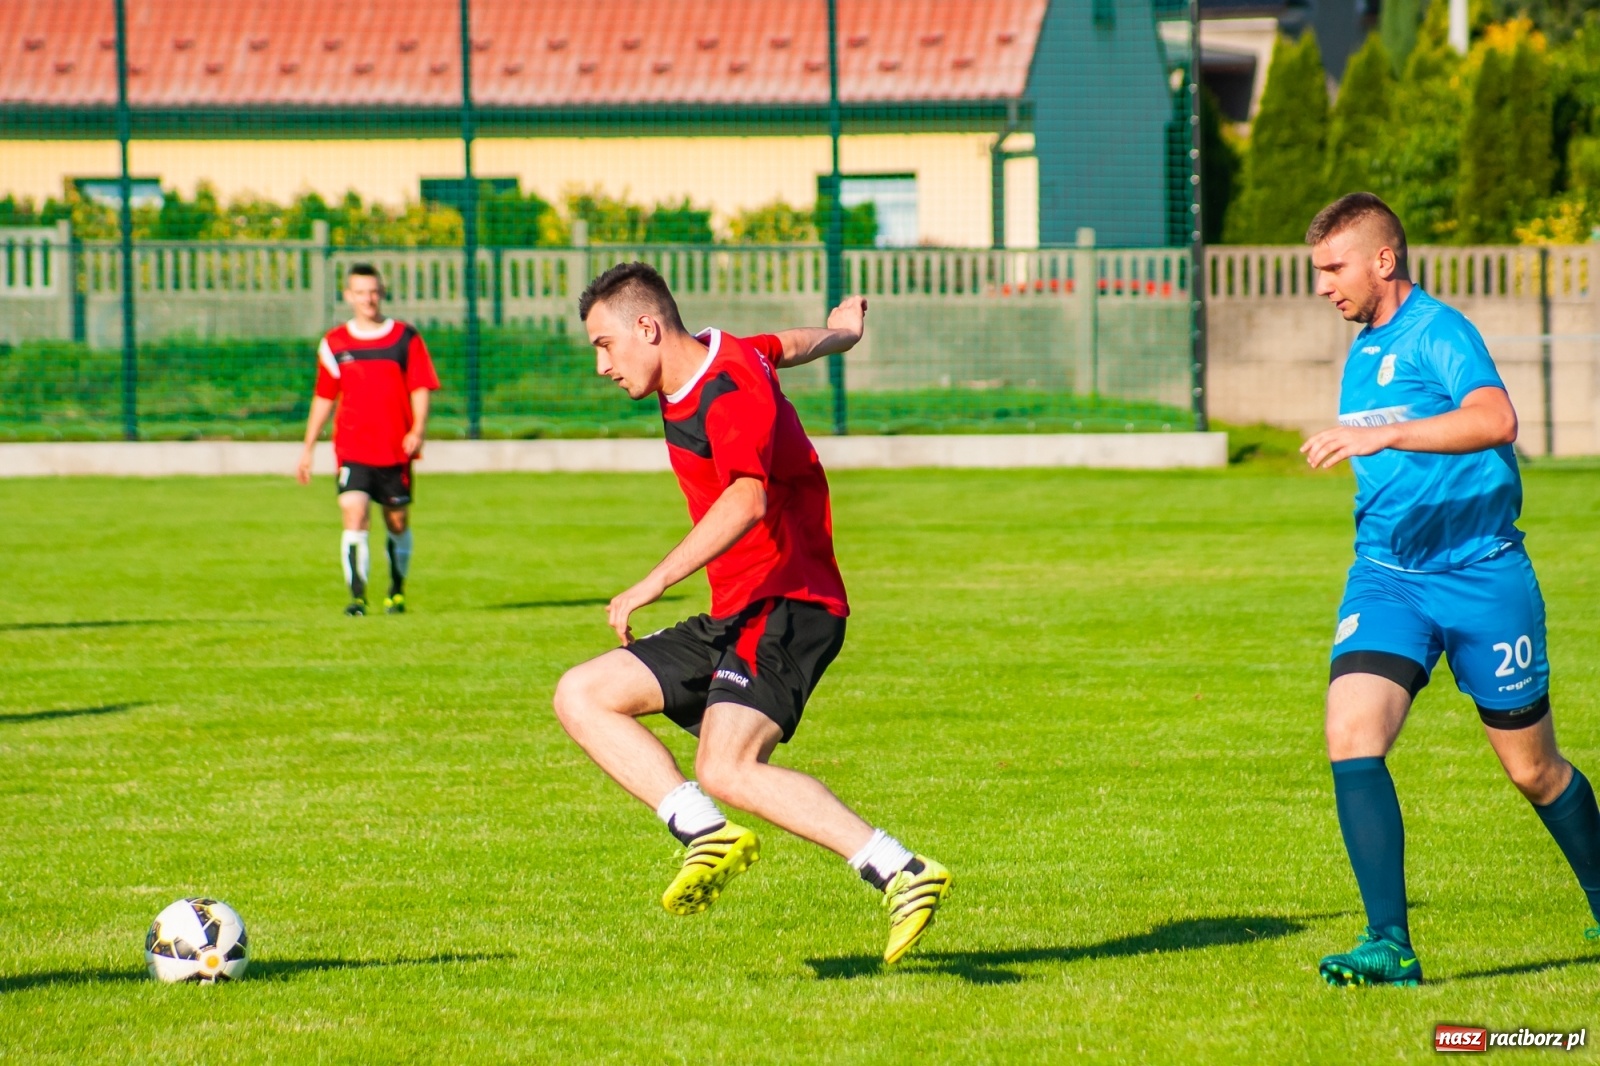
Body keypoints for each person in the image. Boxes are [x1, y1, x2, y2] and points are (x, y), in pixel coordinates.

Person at [553, 262, 951, 965]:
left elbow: (747, 499)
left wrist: (652, 581)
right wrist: (843, 335)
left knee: (728, 765)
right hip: (737, 608)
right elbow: (786, 345)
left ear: (646, 327)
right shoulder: (720, 353)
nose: (601, 365)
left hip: (791, 599)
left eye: (604, 344)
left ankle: (902, 871)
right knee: (583, 694)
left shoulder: (727, 388)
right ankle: (705, 833)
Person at [1302, 193, 1600, 987]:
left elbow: (1496, 418)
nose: (1325, 284)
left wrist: (1386, 432)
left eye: (1335, 268)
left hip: (1482, 577)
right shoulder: (1363, 349)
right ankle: (1389, 945)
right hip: (1389, 578)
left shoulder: (1439, 333)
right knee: (1352, 734)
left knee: (1533, 771)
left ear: (1383, 260)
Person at [297, 263, 440, 616]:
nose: (368, 299)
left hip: (394, 449)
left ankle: (396, 589)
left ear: (382, 292)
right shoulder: (335, 342)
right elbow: (324, 396)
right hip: (353, 448)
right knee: (354, 511)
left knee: (397, 521)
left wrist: (417, 429)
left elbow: (420, 385)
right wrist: (307, 448)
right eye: (360, 292)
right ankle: (357, 598)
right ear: (349, 296)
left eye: (374, 291)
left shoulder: (405, 337)